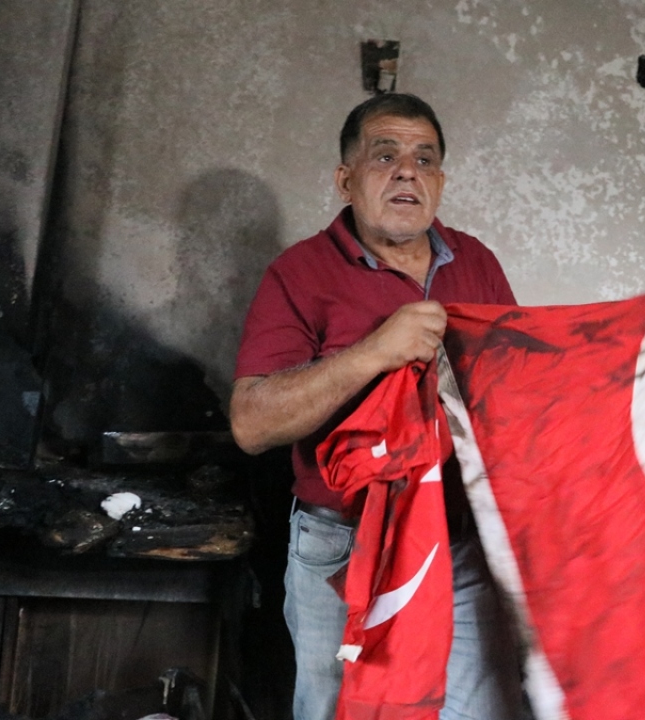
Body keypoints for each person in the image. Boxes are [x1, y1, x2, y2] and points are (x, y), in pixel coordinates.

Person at [230, 93, 526, 720]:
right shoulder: (300, 272)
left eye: (425, 159)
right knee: (345, 710)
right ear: (346, 179)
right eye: (384, 155)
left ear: (440, 181)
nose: (406, 172)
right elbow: (251, 424)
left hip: (460, 540)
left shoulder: (476, 262)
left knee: (475, 708)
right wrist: (373, 353)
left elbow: (515, 391)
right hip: (345, 544)